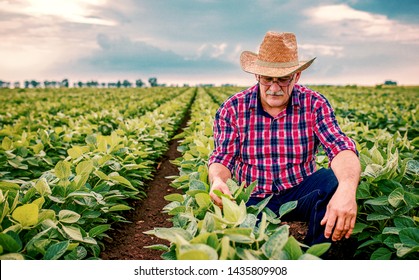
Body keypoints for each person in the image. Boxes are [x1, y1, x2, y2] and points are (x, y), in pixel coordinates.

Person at [208, 31, 361, 246]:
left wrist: (346, 189)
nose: (274, 88)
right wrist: (217, 181)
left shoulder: (314, 103)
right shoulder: (233, 108)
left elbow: (339, 146)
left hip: (299, 191)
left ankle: (315, 256)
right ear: (256, 76)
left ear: (296, 77)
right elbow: (223, 157)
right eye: (267, 79)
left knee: (334, 182)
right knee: (244, 236)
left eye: (283, 80)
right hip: (254, 196)